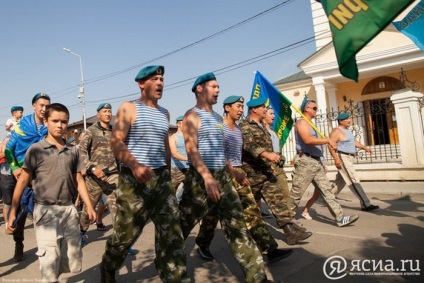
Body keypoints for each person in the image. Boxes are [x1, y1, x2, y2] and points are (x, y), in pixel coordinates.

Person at [100, 66, 189, 283]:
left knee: (171, 232)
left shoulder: (164, 113)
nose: (160, 82)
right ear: (141, 84)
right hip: (134, 180)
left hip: (161, 180)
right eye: (155, 79)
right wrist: (135, 165)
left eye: (162, 79)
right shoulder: (128, 108)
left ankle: (175, 276)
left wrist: (167, 173)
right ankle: (109, 264)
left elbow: (165, 148)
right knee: (125, 235)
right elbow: (116, 141)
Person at [179, 72, 268, 283]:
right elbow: (192, 150)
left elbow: (219, 150)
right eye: (214, 86)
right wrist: (207, 178)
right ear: (200, 89)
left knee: (237, 225)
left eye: (218, 87)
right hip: (200, 178)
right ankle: (167, 260)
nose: (218, 90)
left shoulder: (218, 118)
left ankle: (257, 277)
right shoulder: (191, 116)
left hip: (223, 176)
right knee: (181, 225)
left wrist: (231, 170)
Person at [195, 95, 293, 264]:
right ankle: (202, 244)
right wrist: (232, 170)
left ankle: (270, 250)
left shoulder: (239, 129)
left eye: (242, 107)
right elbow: (216, 153)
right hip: (224, 172)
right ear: (227, 108)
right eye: (237, 106)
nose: (240, 110)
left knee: (251, 211)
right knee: (212, 214)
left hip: (239, 173)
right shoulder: (220, 127)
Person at [7, 103, 97, 282]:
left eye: (64, 121)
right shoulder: (36, 150)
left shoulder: (73, 151)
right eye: (55, 120)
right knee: (49, 260)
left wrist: (89, 206)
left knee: (69, 259)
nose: (60, 125)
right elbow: (23, 181)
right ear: (46, 121)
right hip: (45, 212)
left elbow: (79, 180)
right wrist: (12, 212)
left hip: (69, 212)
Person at [240, 97, 312, 245]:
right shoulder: (245, 126)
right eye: (263, 107)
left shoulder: (261, 126)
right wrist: (267, 155)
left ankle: (290, 232)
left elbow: (268, 146)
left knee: (277, 201)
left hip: (265, 173)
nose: (265, 110)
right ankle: (242, 236)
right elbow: (250, 146)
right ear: (254, 109)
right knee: (248, 209)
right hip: (252, 175)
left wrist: (272, 160)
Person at [290, 99, 359, 227]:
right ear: (307, 109)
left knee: (327, 191)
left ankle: (340, 217)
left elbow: (317, 146)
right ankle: (287, 220)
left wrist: (322, 161)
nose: (316, 110)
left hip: (316, 162)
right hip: (305, 162)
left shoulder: (311, 124)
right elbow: (307, 140)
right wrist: (327, 140)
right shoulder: (301, 122)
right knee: (297, 192)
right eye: (314, 108)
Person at [5, 92, 51, 261]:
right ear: (34, 106)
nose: (44, 109)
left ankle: (47, 249)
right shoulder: (22, 125)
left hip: (43, 176)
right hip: (22, 176)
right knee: (21, 214)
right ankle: (19, 243)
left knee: (45, 212)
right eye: (41, 105)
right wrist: (14, 167)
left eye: (47, 106)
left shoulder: (50, 125)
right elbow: (9, 149)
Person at [78, 103, 119, 247]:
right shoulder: (91, 131)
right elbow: (81, 152)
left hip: (112, 175)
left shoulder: (115, 131)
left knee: (117, 206)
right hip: (94, 177)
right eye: (105, 111)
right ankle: (82, 232)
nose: (108, 113)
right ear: (98, 114)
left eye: (109, 111)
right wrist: (92, 167)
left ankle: (119, 241)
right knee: (88, 209)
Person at [329, 112, 379, 211]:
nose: (349, 120)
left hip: (349, 157)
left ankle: (327, 198)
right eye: (346, 119)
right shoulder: (336, 131)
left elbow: (353, 142)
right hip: (343, 157)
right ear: (341, 121)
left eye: (349, 118)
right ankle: (365, 204)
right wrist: (336, 159)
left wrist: (364, 147)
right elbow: (330, 146)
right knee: (353, 180)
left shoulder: (347, 130)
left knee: (341, 181)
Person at [169, 115, 189, 201]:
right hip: (175, 170)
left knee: (185, 194)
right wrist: (189, 159)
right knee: (171, 193)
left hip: (187, 169)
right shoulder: (173, 137)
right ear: (178, 124)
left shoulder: (189, 137)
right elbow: (174, 154)